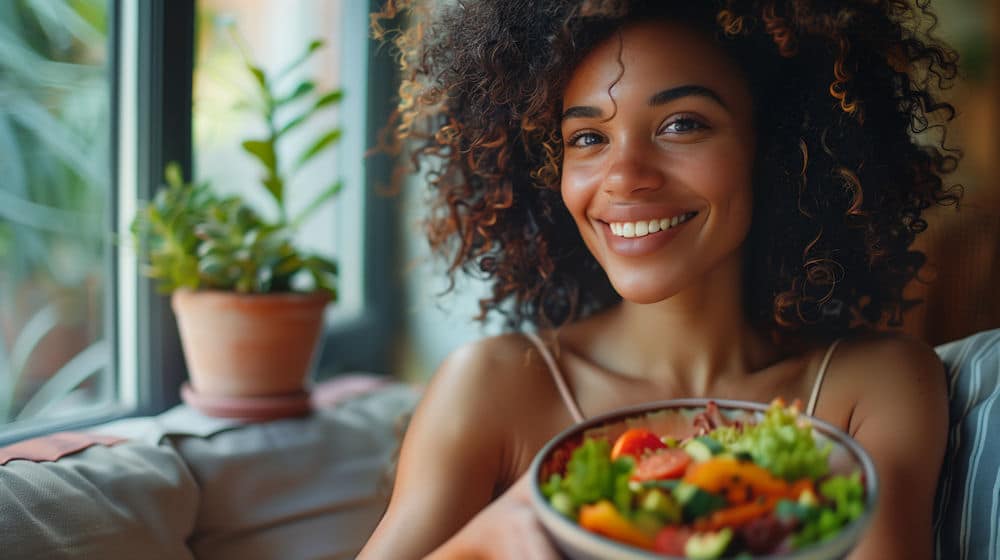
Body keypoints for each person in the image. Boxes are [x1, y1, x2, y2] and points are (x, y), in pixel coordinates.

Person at [361, 1, 961, 558]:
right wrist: (495, 532)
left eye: (681, 125)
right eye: (589, 137)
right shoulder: (495, 386)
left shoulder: (875, 386)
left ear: (776, 147)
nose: (625, 177)